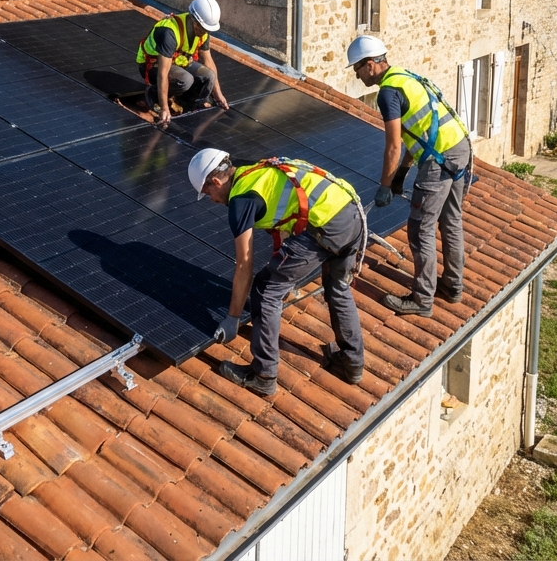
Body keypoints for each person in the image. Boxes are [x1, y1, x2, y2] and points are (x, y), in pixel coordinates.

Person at [189, 147, 367, 395]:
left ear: (216, 181)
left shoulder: (241, 201)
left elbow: (244, 265)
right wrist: (287, 274)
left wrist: (233, 318)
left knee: (265, 290)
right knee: (337, 287)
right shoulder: (254, 171)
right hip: (351, 211)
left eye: (207, 191)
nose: (210, 198)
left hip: (326, 226)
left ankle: (263, 374)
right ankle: (352, 364)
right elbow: (290, 214)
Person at [347, 35, 472, 317]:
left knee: (420, 228)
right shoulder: (406, 76)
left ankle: (422, 299)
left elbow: (393, 144)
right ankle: (452, 287)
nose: (358, 77)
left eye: (357, 70)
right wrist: (402, 173)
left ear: (369, 65)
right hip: (459, 148)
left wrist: (384, 185)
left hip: (440, 160)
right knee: (451, 221)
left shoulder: (388, 93)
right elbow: (419, 133)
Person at [137, 0, 229, 125]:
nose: (204, 32)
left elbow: (209, 61)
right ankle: (154, 96)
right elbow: (163, 73)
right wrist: (164, 108)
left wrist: (219, 95)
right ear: (193, 20)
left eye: (207, 29)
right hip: (152, 65)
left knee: (209, 76)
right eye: (202, 28)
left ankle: (189, 105)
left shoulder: (203, 32)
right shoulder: (169, 32)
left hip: (178, 62)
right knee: (186, 79)